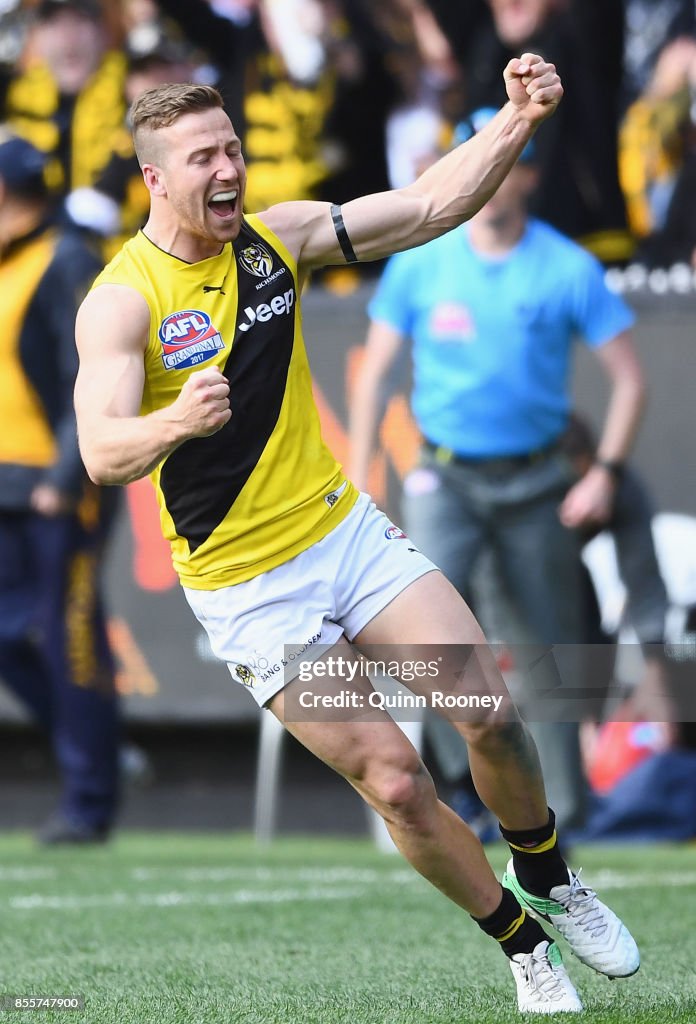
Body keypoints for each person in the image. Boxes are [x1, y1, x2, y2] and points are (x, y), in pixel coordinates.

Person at [74, 62, 639, 1013]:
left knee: (491, 712)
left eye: (233, 150)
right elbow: (99, 449)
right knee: (399, 783)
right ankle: (519, 944)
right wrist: (175, 423)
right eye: (202, 157)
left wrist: (516, 119)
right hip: (251, 588)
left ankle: (549, 871)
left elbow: (425, 208)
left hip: (345, 537)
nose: (228, 170)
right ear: (155, 180)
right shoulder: (122, 300)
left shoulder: (276, 239)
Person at [349, 108, 647, 837]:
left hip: (539, 480)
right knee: (431, 640)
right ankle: (466, 796)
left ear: (532, 173)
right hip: (444, 478)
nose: (493, 173)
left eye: (509, 159)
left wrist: (603, 471)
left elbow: (631, 380)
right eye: (480, 156)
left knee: (549, 650)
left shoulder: (566, 266)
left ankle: (565, 817)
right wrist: (359, 477)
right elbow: (372, 375)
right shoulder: (421, 261)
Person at [0, 130, 119, 843]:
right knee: (8, 640)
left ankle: (90, 797)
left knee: (71, 641)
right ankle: (101, 749)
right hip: (5, 487)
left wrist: (65, 475)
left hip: (53, 487)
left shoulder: (65, 257)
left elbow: (91, 380)